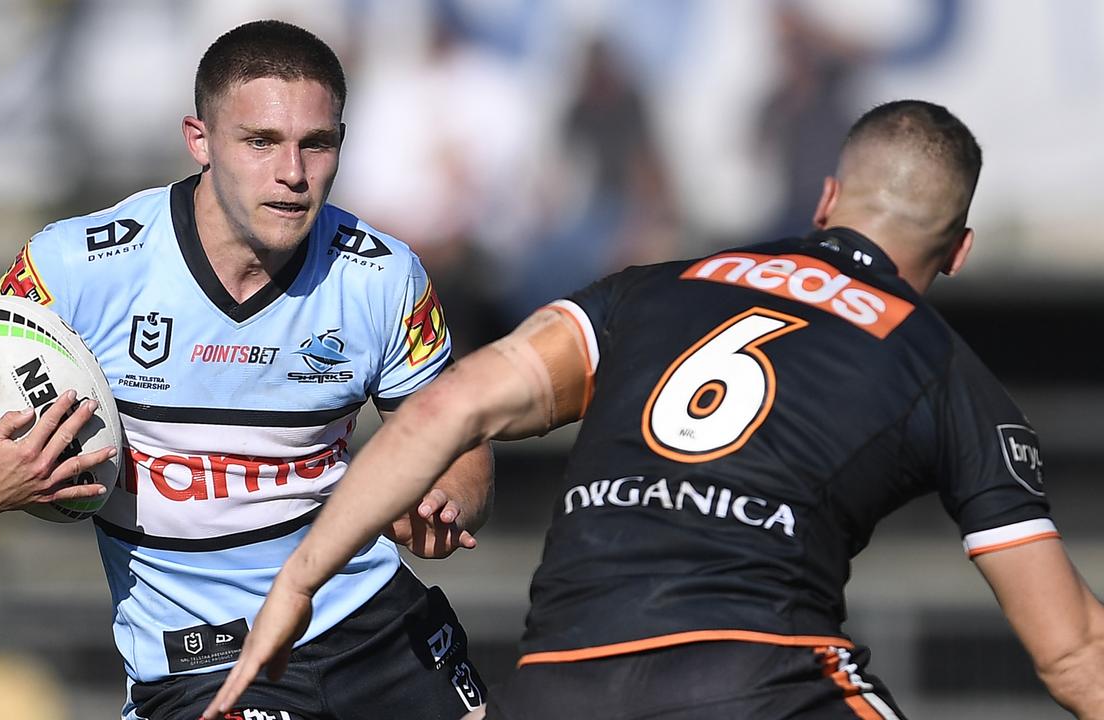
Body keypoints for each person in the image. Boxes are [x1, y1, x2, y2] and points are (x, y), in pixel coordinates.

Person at [201, 99, 1104, 720]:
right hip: (752, 674)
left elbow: (449, 407)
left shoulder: (652, 292)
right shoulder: (940, 365)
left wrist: (299, 580)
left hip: (557, 684)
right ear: (960, 251)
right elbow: (1071, 657)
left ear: (828, 202)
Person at [0, 19, 494, 720]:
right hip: (204, 662)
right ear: (199, 140)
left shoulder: (382, 276)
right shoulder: (82, 268)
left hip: (376, 632)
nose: (292, 174)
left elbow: (463, 436)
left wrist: (448, 501)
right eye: (260, 142)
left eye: (316, 144)